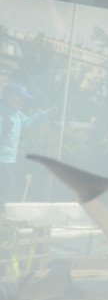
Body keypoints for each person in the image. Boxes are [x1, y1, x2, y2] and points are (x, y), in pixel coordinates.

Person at [0, 82, 52, 214]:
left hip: (8, 158)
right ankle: (1, 210)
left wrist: (49, 112)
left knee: (10, 181)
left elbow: (30, 122)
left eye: (24, 99)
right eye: (20, 98)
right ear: (10, 97)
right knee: (8, 181)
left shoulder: (17, 114)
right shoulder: (2, 113)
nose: (23, 101)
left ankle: (2, 210)